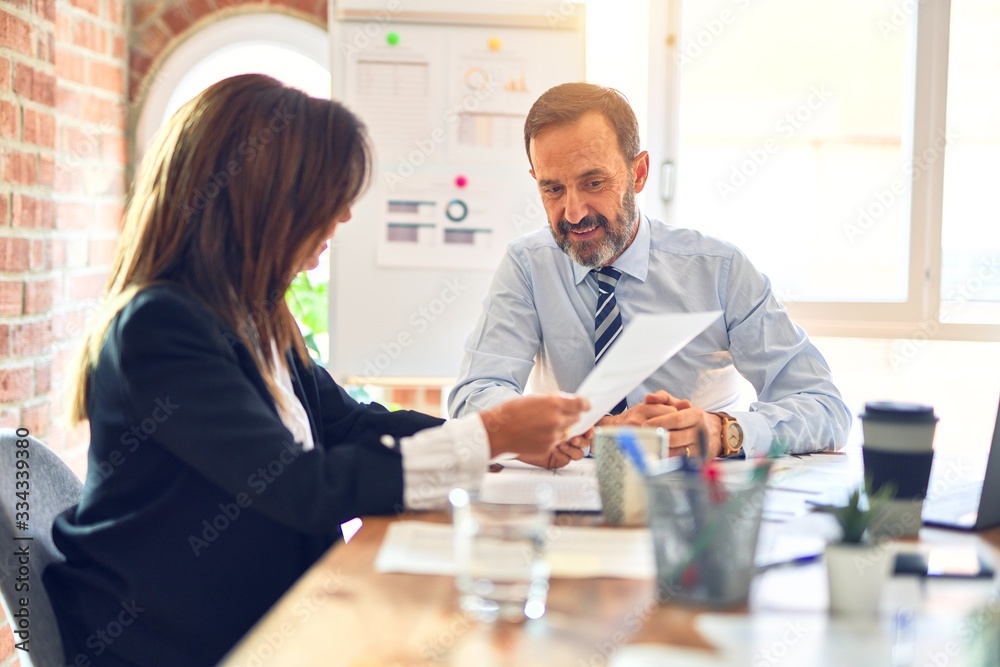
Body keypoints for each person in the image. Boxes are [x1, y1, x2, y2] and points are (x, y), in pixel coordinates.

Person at [44, 74, 588, 667]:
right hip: (179, 643)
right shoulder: (159, 327)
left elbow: (350, 425)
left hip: (270, 613)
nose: (344, 215)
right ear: (259, 198)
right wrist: (489, 435)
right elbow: (295, 486)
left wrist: (500, 441)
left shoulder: (257, 314)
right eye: (327, 198)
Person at [448, 82, 851, 460]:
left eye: (594, 183)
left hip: (694, 492)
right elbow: (474, 397)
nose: (573, 212)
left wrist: (723, 431)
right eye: (553, 189)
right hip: (564, 495)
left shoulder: (719, 270)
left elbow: (825, 408)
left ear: (638, 173)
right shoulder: (528, 265)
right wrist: (591, 432)